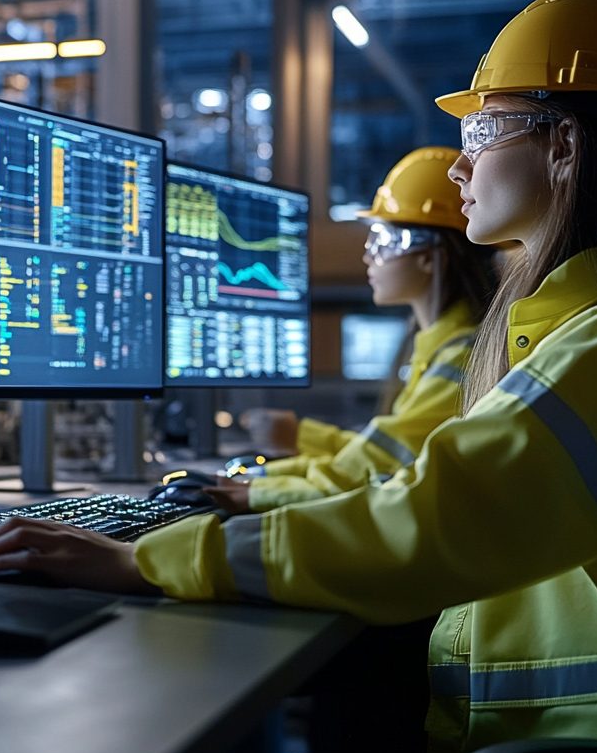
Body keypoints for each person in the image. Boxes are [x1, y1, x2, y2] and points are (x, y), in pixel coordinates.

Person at [0, 0, 597, 753]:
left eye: (481, 129)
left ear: (565, 145)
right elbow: (432, 490)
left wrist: (150, 560)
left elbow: (435, 513)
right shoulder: (586, 329)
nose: (463, 163)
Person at [207, 146, 494, 516]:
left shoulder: (461, 358)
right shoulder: (438, 347)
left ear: (429, 254)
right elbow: (384, 444)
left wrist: (258, 489)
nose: (368, 255)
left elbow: (381, 465)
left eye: (383, 239)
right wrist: (285, 454)